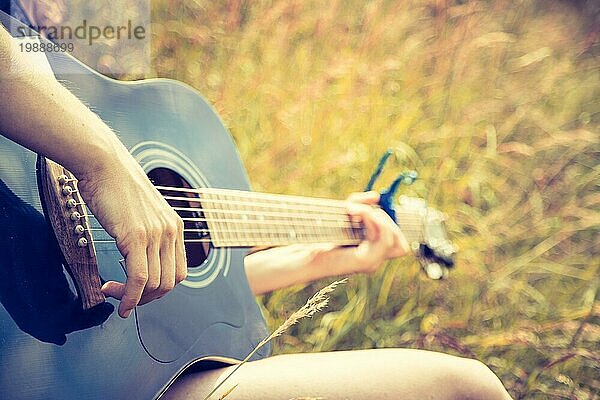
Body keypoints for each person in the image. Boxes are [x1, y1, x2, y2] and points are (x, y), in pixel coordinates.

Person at [0, 2, 513, 399]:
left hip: (113, 378)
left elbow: (158, 294)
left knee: (467, 387)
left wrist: (318, 259)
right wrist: (106, 166)